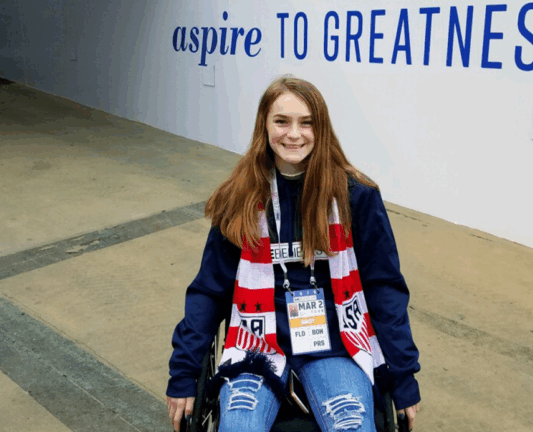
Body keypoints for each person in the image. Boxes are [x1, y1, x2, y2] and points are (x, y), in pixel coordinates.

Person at [166, 76, 421, 432]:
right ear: (264, 126)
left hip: (335, 347)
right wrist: (184, 372)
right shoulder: (237, 198)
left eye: (306, 123)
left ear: (321, 128)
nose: (294, 134)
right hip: (256, 349)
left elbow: (384, 289)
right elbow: (209, 291)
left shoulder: (356, 196)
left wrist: (403, 377)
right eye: (281, 121)